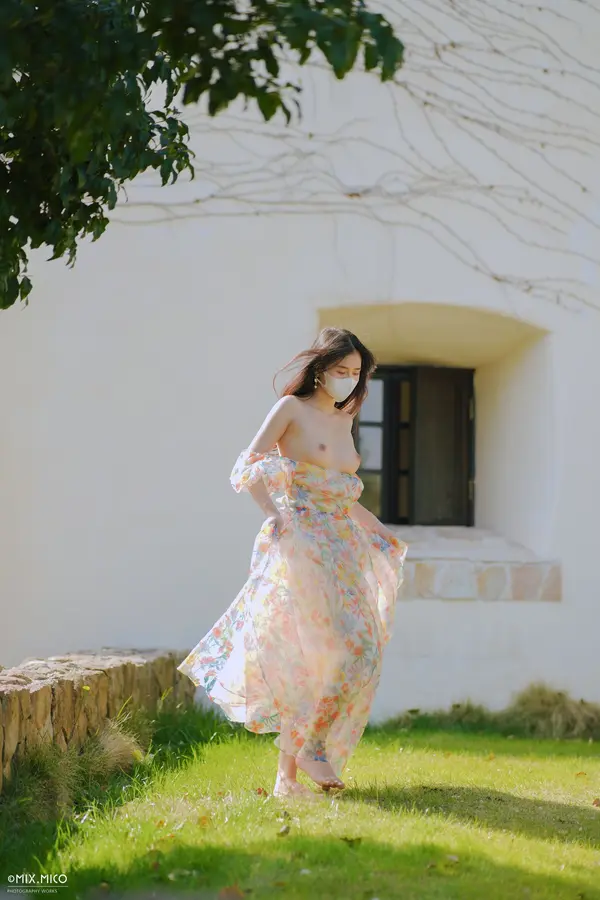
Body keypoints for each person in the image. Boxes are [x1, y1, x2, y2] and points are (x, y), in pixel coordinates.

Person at [177, 327, 407, 800]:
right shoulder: (290, 409)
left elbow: (342, 497)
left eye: (356, 373)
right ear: (320, 369)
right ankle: (306, 755)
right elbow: (247, 467)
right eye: (341, 370)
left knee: (361, 649)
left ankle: (292, 771)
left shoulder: (346, 419)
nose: (349, 379)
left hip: (342, 547)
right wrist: (274, 513)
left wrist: (382, 533)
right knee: (308, 656)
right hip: (300, 544)